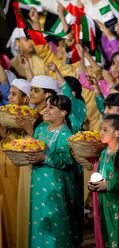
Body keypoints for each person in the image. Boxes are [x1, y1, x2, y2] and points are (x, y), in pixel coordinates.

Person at [27, 95, 83, 247]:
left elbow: (67, 161)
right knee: (38, 217)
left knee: (55, 218)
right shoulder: (40, 128)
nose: (45, 110)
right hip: (37, 181)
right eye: (46, 106)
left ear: (63, 113)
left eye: (51, 107)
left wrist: (45, 158)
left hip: (55, 183)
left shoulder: (66, 135)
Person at [88, 114, 119, 248]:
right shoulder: (104, 152)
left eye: (105, 130)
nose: (101, 132)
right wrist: (94, 184)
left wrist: (108, 185)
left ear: (117, 133)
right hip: (104, 201)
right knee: (106, 235)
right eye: (101, 129)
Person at [0, 78, 30, 248]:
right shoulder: (7, 113)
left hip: (18, 169)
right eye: (9, 94)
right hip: (3, 164)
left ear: (25, 98)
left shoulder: (31, 117)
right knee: (4, 210)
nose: (10, 98)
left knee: (16, 211)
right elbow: (6, 136)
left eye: (14, 94)